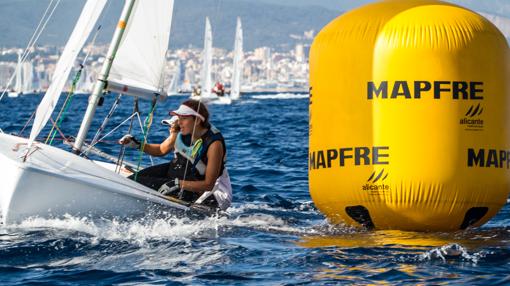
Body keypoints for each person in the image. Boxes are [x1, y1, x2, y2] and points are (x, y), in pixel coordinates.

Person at [118, 99, 232, 210]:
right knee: (133, 181)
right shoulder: (181, 131)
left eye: (183, 118)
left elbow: (209, 184)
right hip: (184, 176)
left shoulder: (214, 144)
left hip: (214, 194)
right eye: (179, 118)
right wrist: (136, 144)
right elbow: (161, 150)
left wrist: (177, 184)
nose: (178, 123)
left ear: (197, 120)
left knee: (154, 185)